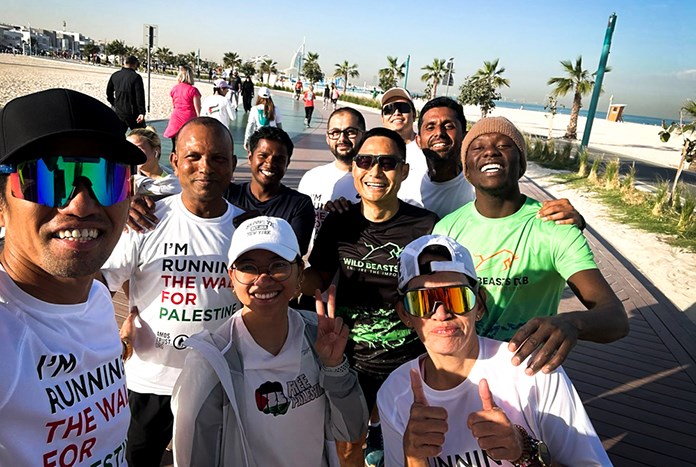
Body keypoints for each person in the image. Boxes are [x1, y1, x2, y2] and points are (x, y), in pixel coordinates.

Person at [0, 88, 146, 465]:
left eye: (106, 177)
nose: (81, 203)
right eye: (47, 178)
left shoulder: (95, 299)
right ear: (1, 206)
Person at [378, 234, 612, 466]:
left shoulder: (532, 372)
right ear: (405, 314)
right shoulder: (394, 393)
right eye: (422, 301)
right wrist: (415, 457)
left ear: (479, 304)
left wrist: (524, 452)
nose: (441, 314)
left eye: (456, 297)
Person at [434, 117, 629, 375]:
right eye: (478, 148)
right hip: (463, 369)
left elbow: (615, 317)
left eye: (504, 146)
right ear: (467, 168)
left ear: (521, 164)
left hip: (526, 371)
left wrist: (571, 323)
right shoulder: (447, 230)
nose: (490, 151)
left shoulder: (554, 227)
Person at [100, 117, 244, 466]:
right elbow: (101, 285)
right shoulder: (145, 220)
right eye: (193, 156)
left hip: (217, 380)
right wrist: (102, 341)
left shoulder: (245, 228)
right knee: (136, 460)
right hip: (150, 380)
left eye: (218, 158)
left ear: (233, 165)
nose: (205, 167)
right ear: (175, 162)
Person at [171, 216, 369, 466]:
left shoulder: (317, 335)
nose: (263, 279)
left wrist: (335, 366)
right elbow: (194, 458)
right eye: (248, 267)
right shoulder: (211, 361)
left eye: (278, 265)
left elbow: (352, 433)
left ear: (299, 275)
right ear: (232, 277)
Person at [303, 127, 439, 466]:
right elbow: (316, 277)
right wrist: (276, 270)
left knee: (406, 451)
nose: (375, 172)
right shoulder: (337, 222)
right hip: (348, 361)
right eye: (365, 161)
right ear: (353, 168)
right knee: (347, 448)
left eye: (388, 163)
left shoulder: (426, 226)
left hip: (407, 364)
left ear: (404, 171)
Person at [227, 126, 315, 256]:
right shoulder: (229, 194)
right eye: (263, 156)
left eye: (279, 159)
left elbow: (295, 253)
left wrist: (257, 225)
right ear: (250, 158)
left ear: (287, 163)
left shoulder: (299, 205)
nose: (270, 163)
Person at [297, 107, 364, 251]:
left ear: (363, 136)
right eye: (335, 133)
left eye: (350, 132)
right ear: (327, 138)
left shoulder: (373, 183)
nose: (342, 139)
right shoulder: (311, 178)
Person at [380, 88, 429, 205]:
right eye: (389, 109)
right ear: (382, 118)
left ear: (414, 115)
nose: (396, 113)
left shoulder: (429, 149)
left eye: (403, 108)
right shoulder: (374, 150)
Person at [127, 126, 181, 198]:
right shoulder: (126, 180)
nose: (132, 153)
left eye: (138, 148)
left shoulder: (174, 184)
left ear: (156, 150)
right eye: (128, 150)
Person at [163, 65, 202, 150]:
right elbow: (198, 109)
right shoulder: (193, 90)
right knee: (187, 147)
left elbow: (174, 105)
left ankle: (174, 162)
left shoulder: (174, 89)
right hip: (188, 120)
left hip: (175, 118)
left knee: (174, 147)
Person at [106, 54, 146, 132]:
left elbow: (108, 92)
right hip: (132, 112)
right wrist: (141, 112)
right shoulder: (136, 77)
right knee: (141, 135)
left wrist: (114, 103)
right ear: (135, 64)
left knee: (118, 135)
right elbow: (139, 96)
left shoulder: (115, 75)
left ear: (124, 63)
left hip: (118, 111)